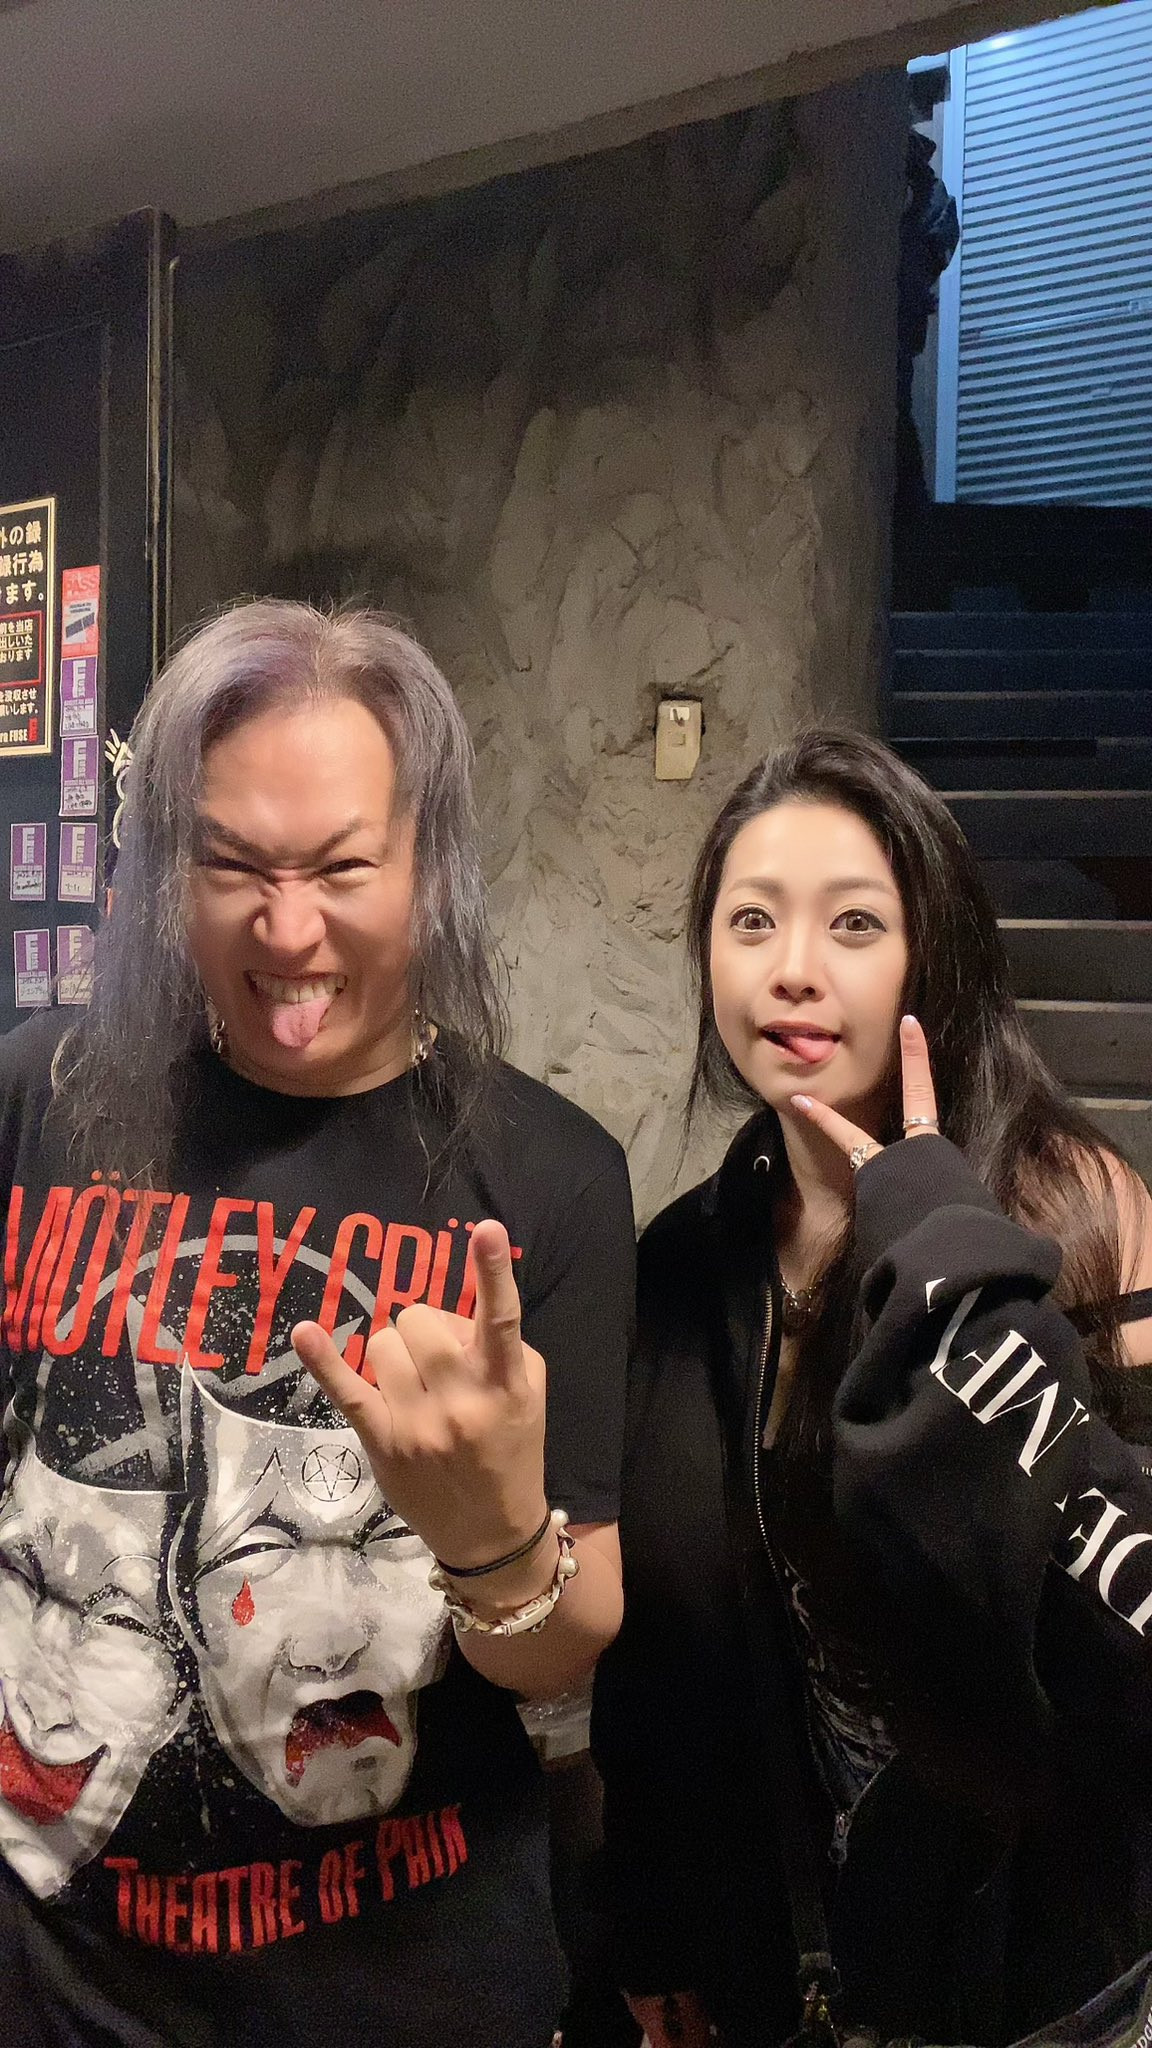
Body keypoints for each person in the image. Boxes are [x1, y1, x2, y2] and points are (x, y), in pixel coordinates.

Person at [0, 600, 635, 2048]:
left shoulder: (546, 1178)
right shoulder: (42, 1099)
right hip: (53, 1986)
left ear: (430, 863)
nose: (289, 932)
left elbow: (568, 1647)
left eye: (344, 868)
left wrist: (488, 1535)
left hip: (400, 1991)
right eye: (233, 866)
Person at [591, 729, 1152, 2048]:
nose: (794, 968)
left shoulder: (1082, 1216)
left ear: (930, 955)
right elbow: (666, 1654)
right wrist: (650, 1918)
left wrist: (946, 1257)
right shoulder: (688, 1259)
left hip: (1051, 1981)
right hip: (796, 1974)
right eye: (752, 921)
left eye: (854, 923)